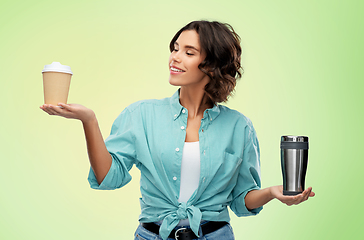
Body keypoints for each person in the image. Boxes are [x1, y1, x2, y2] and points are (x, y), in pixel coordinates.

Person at [40, 20, 315, 240]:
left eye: (188, 52)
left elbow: (242, 201)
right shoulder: (141, 115)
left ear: (212, 65)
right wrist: (89, 120)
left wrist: (272, 192)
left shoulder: (239, 127)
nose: (175, 58)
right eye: (174, 48)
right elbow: (109, 177)